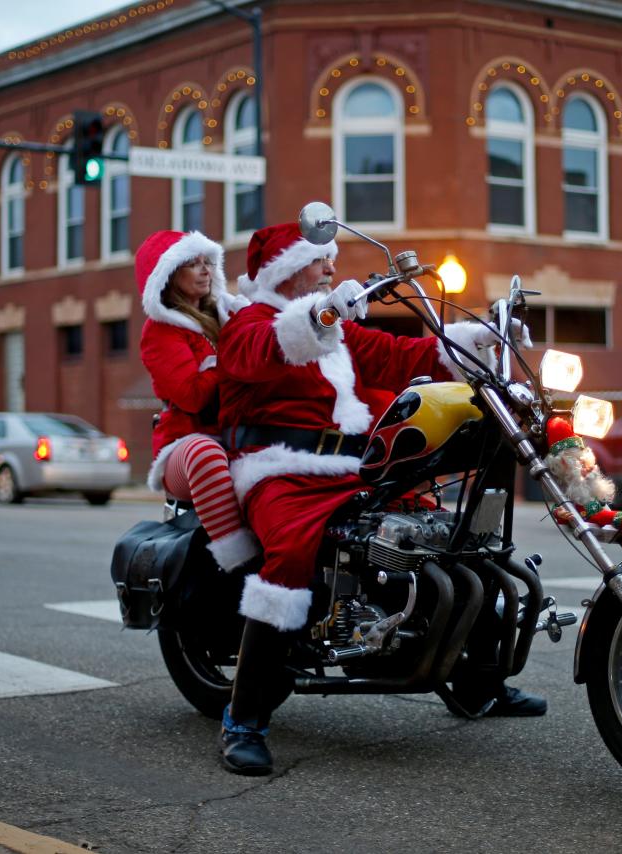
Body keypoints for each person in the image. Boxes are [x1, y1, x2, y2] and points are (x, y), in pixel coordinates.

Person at [214, 221, 545, 776]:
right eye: (321, 260)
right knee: (292, 554)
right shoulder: (252, 322)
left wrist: (483, 336)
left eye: (331, 259)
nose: (330, 269)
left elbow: (400, 355)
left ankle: (479, 684)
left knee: (457, 537)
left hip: (349, 467)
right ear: (287, 268)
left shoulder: (337, 335)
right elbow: (261, 353)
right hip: (279, 471)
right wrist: (323, 316)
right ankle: (243, 720)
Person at [136, 229, 260, 572]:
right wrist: (226, 362)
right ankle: (237, 561)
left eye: (208, 262)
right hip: (185, 446)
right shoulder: (160, 330)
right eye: (193, 263)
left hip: (237, 435)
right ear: (169, 274)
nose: (205, 270)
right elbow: (191, 396)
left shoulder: (225, 317)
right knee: (206, 454)